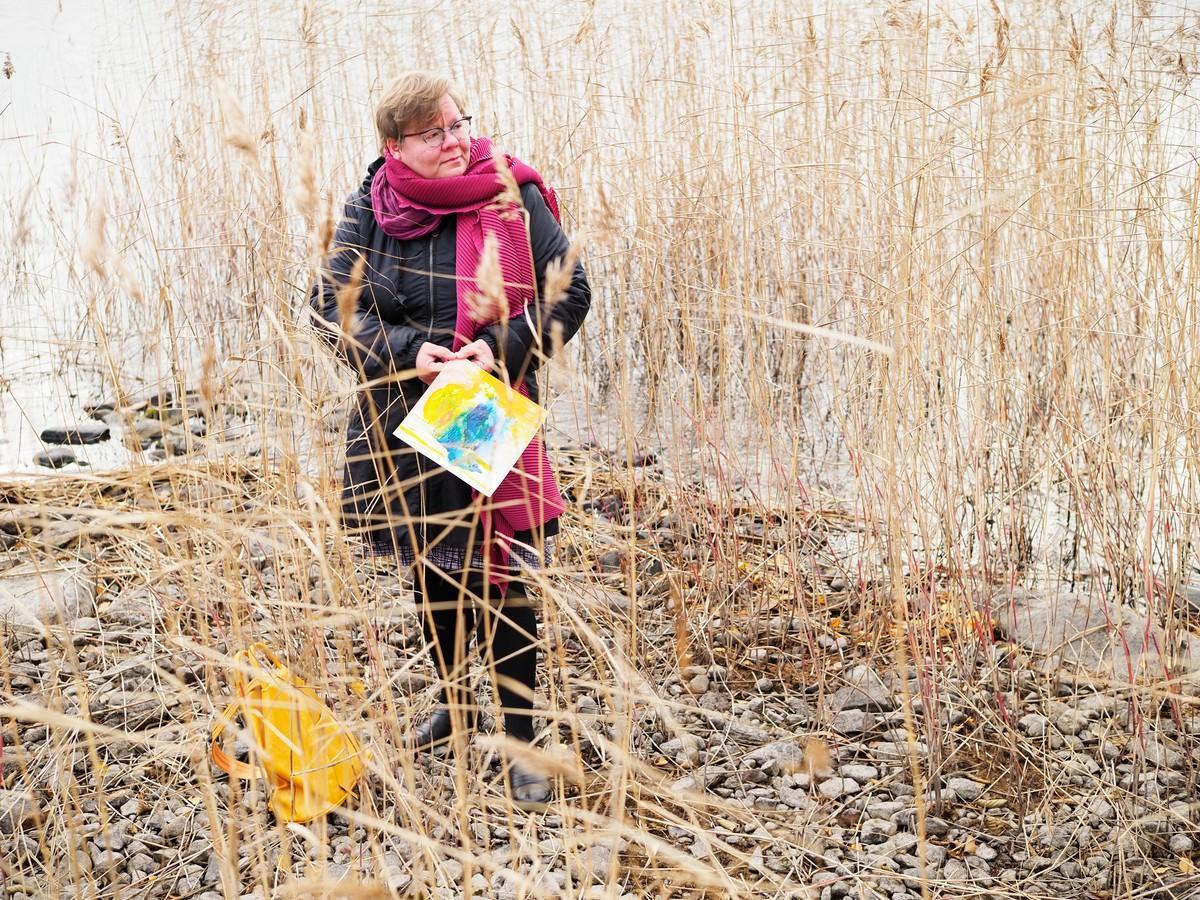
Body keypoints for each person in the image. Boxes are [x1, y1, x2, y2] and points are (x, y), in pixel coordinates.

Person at [309, 71, 591, 809]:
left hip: (484, 405)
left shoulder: (509, 192)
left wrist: (496, 350)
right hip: (402, 416)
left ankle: (522, 739)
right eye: (435, 132)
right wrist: (408, 351)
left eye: (460, 122)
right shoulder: (370, 205)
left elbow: (573, 291)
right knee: (436, 568)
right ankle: (457, 706)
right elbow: (327, 307)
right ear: (394, 145)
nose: (457, 140)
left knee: (504, 576)